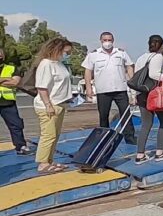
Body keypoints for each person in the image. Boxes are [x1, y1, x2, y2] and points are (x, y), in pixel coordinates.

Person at [82, 32, 136, 144]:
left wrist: (133, 83)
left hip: (120, 89)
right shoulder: (94, 55)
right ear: (101, 41)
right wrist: (88, 88)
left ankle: (129, 137)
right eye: (105, 40)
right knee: (103, 115)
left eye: (109, 40)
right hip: (103, 90)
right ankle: (104, 138)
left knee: (125, 114)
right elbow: (88, 71)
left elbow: (129, 66)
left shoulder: (121, 53)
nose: (107, 42)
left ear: (113, 40)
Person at [132, 35, 163, 164]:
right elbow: (153, 74)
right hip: (154, 94)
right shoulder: (158, 57)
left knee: (146, 124)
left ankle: (140, 154)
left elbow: (137, 76)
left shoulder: (141, 57)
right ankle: (160, 152)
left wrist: (134, 94)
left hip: (141, 93)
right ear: (162, 45)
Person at [33, 38, 73, 173]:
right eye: (66, 52)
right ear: (57, 50)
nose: (67, 55)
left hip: (60, 103)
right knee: (48, 134)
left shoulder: (59, 64)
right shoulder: (46, 64)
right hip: (49, 105)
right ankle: (43, 163)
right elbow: (42, 87)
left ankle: (49, 160)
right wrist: (48, 105)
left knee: (55, 134)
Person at [0, 48, 32, 155]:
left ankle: (21, 146)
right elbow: (12, 81)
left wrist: (5, 80)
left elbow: (15, 83)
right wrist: (6, 79)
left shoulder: (12, 68)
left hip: (7, 103)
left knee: (16, 125)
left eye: (1, 53)